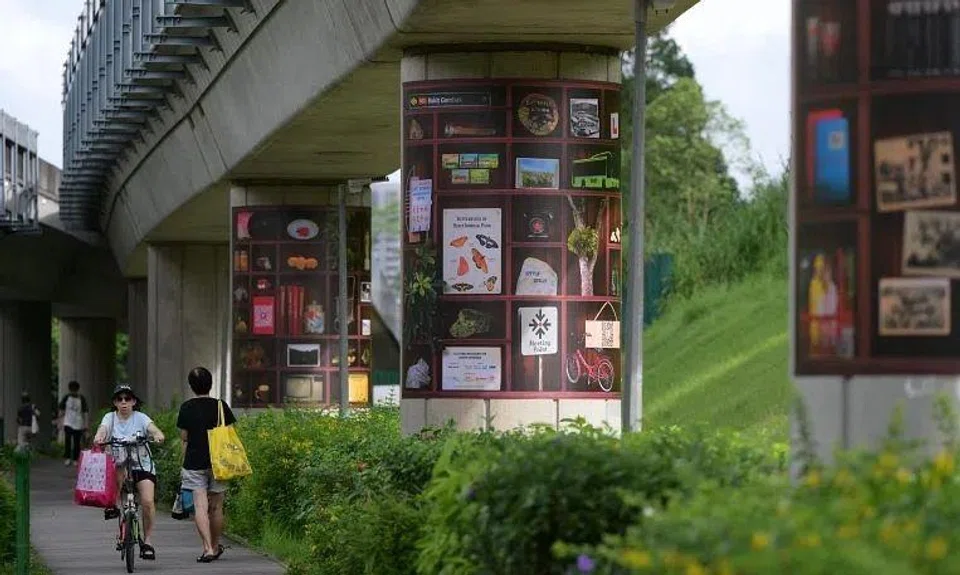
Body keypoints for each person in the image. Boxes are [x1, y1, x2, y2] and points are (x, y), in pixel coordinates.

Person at [92, 384, 165, 561]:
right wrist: (99, 437)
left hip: (142, 464)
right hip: (119, 464)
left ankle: (147, 542)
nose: (124, 402)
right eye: (119, 399)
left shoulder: (141, 417)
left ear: (133, 401)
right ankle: (113, 504)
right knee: (119, 471)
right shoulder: (110, 418)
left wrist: (157, 436)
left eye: (127, 398)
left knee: (147, 501)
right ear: (115, 403)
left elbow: (154, 429)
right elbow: (102, 430)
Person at [176, 367, 236, 563]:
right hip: (220, 462)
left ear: (191, 386)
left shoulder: (186, 407)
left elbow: (184, 438)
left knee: (200, 507)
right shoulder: (220, 406)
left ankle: (207, 548)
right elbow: (230, 434)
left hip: (194, 462)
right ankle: (217, 544)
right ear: (210, 384)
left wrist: (181, 463)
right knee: (217, 508)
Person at [58, 380, 89, 466]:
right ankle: (68, 458)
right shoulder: (66, 397)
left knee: (76, 442)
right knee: (68, 440)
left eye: (74, 389)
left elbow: (85, 412)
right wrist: (60, 421)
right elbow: (61, 410)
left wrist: (86, 425)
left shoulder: (81, 398)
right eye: (72, 389)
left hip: (78, 423)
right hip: (68, 422)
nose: (73, 391)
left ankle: (75, 459)